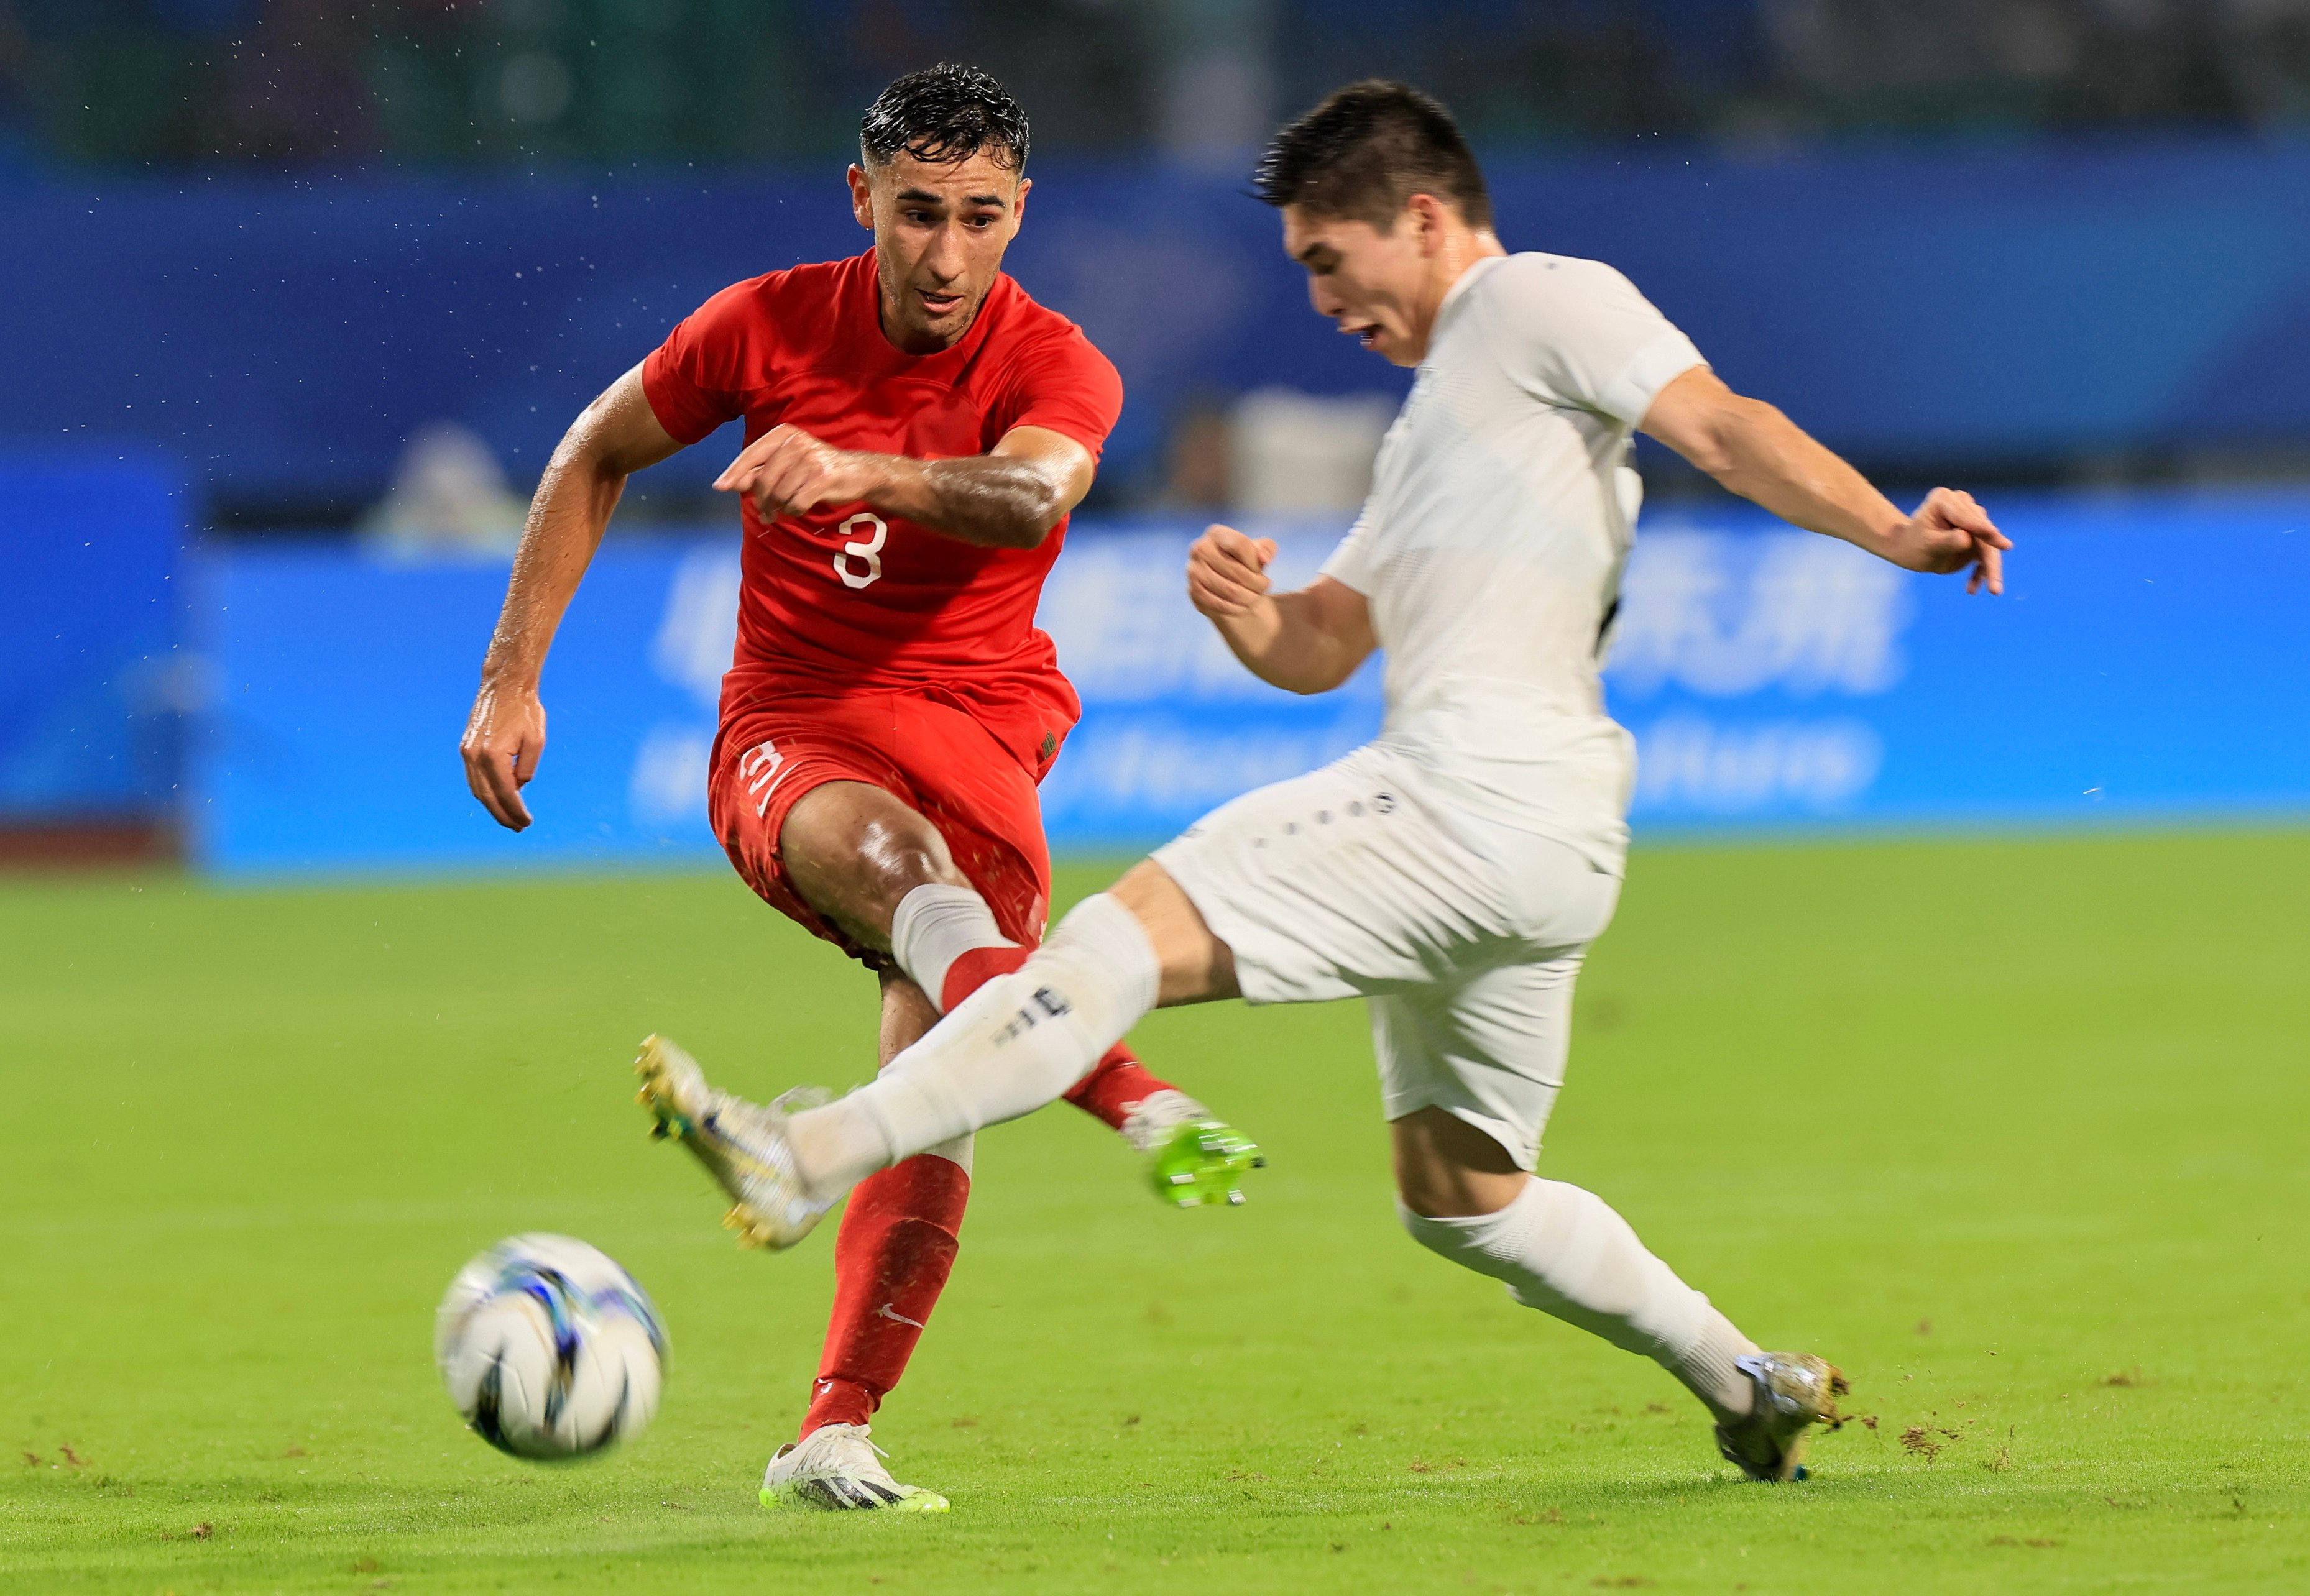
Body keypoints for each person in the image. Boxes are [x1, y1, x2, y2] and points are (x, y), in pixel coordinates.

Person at [635, 79, 2012, 1485]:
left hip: (1463, 801)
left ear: (1419, 219)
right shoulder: (1438, 435)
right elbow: (1325, 645)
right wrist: (1253, 617)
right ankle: (1745, 1377)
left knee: (1103, 949)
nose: (1320, 300)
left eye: (1324, 259)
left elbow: (1721, 426)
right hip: (1555, 851)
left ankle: (805, 1155)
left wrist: (1895, 533)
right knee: (1463, 1197)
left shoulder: (1532, 302)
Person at [461, 63, 1261, 1516]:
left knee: (936, 1090)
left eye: (975, 218)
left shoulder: (1058, 361)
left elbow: (1032, 495)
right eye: (914, 216)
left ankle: (832, 1427)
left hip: (987, 731)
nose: (944, 255)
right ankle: (1140, 1100)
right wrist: (511, 678)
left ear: (1018, 213)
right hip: (798, 723)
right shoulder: (761, 323)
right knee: (908, 882)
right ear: (861, 199)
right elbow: (594, 451)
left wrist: (863, 472)